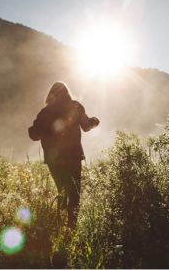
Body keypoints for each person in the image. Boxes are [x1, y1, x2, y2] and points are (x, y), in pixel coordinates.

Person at [28, 82, 99, 230]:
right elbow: (86, 125)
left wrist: (39, 129)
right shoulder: (75, 106)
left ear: (50, 95)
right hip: (73, 156)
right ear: (67, 93)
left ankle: (60, 225)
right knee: (74, 192)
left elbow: (34, 134)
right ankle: (71, 228)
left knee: (62, 189)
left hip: (54, 159)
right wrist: (95, 122)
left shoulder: (45, 112)